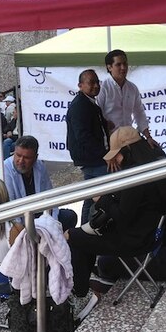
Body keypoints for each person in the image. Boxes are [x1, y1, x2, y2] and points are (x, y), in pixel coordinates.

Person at [67, 127, 166, 320]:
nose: (116, 161)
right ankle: (83, 283)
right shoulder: (152, 161)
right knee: (83, 235)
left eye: (118, 156)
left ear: (128, 151)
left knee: (72, 236)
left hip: (134, 239)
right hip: (148, 233)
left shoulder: (136, 175)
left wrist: (102, 200)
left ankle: (79, 291)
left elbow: (122, 216)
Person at [98, 172, 166, 281]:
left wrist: (105, 202)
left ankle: (104, 284)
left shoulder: (158, 197)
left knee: (105, 260)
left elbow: (135, 231)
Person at [0, 135, 77, 230]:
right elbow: (11, 213)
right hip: (19, 224)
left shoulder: (40, 166)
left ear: (35, 157)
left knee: (70, 216)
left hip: (41, 218)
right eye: (18, 155)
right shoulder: (3, 171)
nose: (21, 161)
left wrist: (53, 224)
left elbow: (50, 197)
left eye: (26, 158)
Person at [66, 69, 110, 223]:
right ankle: (89, 231)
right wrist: (105, 155)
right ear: (80, 85)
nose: (96, 86)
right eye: (91, 82)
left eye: (97, 82)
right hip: (93, 158)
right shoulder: (80, 105)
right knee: (104, 196)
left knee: (92, 197)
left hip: (93, 157)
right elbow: (83, 136)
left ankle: (84, 231)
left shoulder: (89, 103)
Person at [96, 49, 154, 148]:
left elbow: (139, 113)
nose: (123, 68)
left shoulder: (132, 88)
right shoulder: (103, 88)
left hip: (129, 139)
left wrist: (148, 137)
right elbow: (96, 114)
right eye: (118, 65)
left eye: (125, 64)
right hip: (110, 141)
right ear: (109, 67)